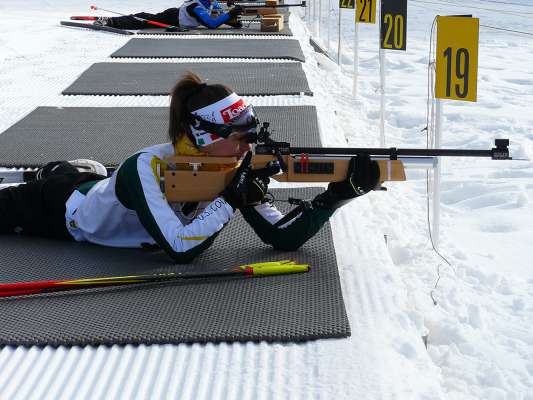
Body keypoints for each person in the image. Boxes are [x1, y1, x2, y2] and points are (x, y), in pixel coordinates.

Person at [0, 72, 380, 263]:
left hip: (97, 191)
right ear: (201, 134)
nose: (247, 146)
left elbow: (281, 238)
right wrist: (231, 199)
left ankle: (73, 171)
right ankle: (55, 172)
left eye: (251, 136)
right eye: (239, 136)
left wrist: (335, 197)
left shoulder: (235, 162)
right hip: (58, 212)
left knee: (91, 178)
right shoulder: (144, 167)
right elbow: (181, 250)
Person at [94, 0, 244, 30]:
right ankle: (111, 21)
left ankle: (113, 20)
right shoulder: (195, 6)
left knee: (146, 17)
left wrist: (231, 20)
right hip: (172, 16)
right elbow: (211, 24)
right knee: (144, 20)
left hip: (176, 17)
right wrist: (230, 14)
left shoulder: (212, 4)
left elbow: (216, 18)